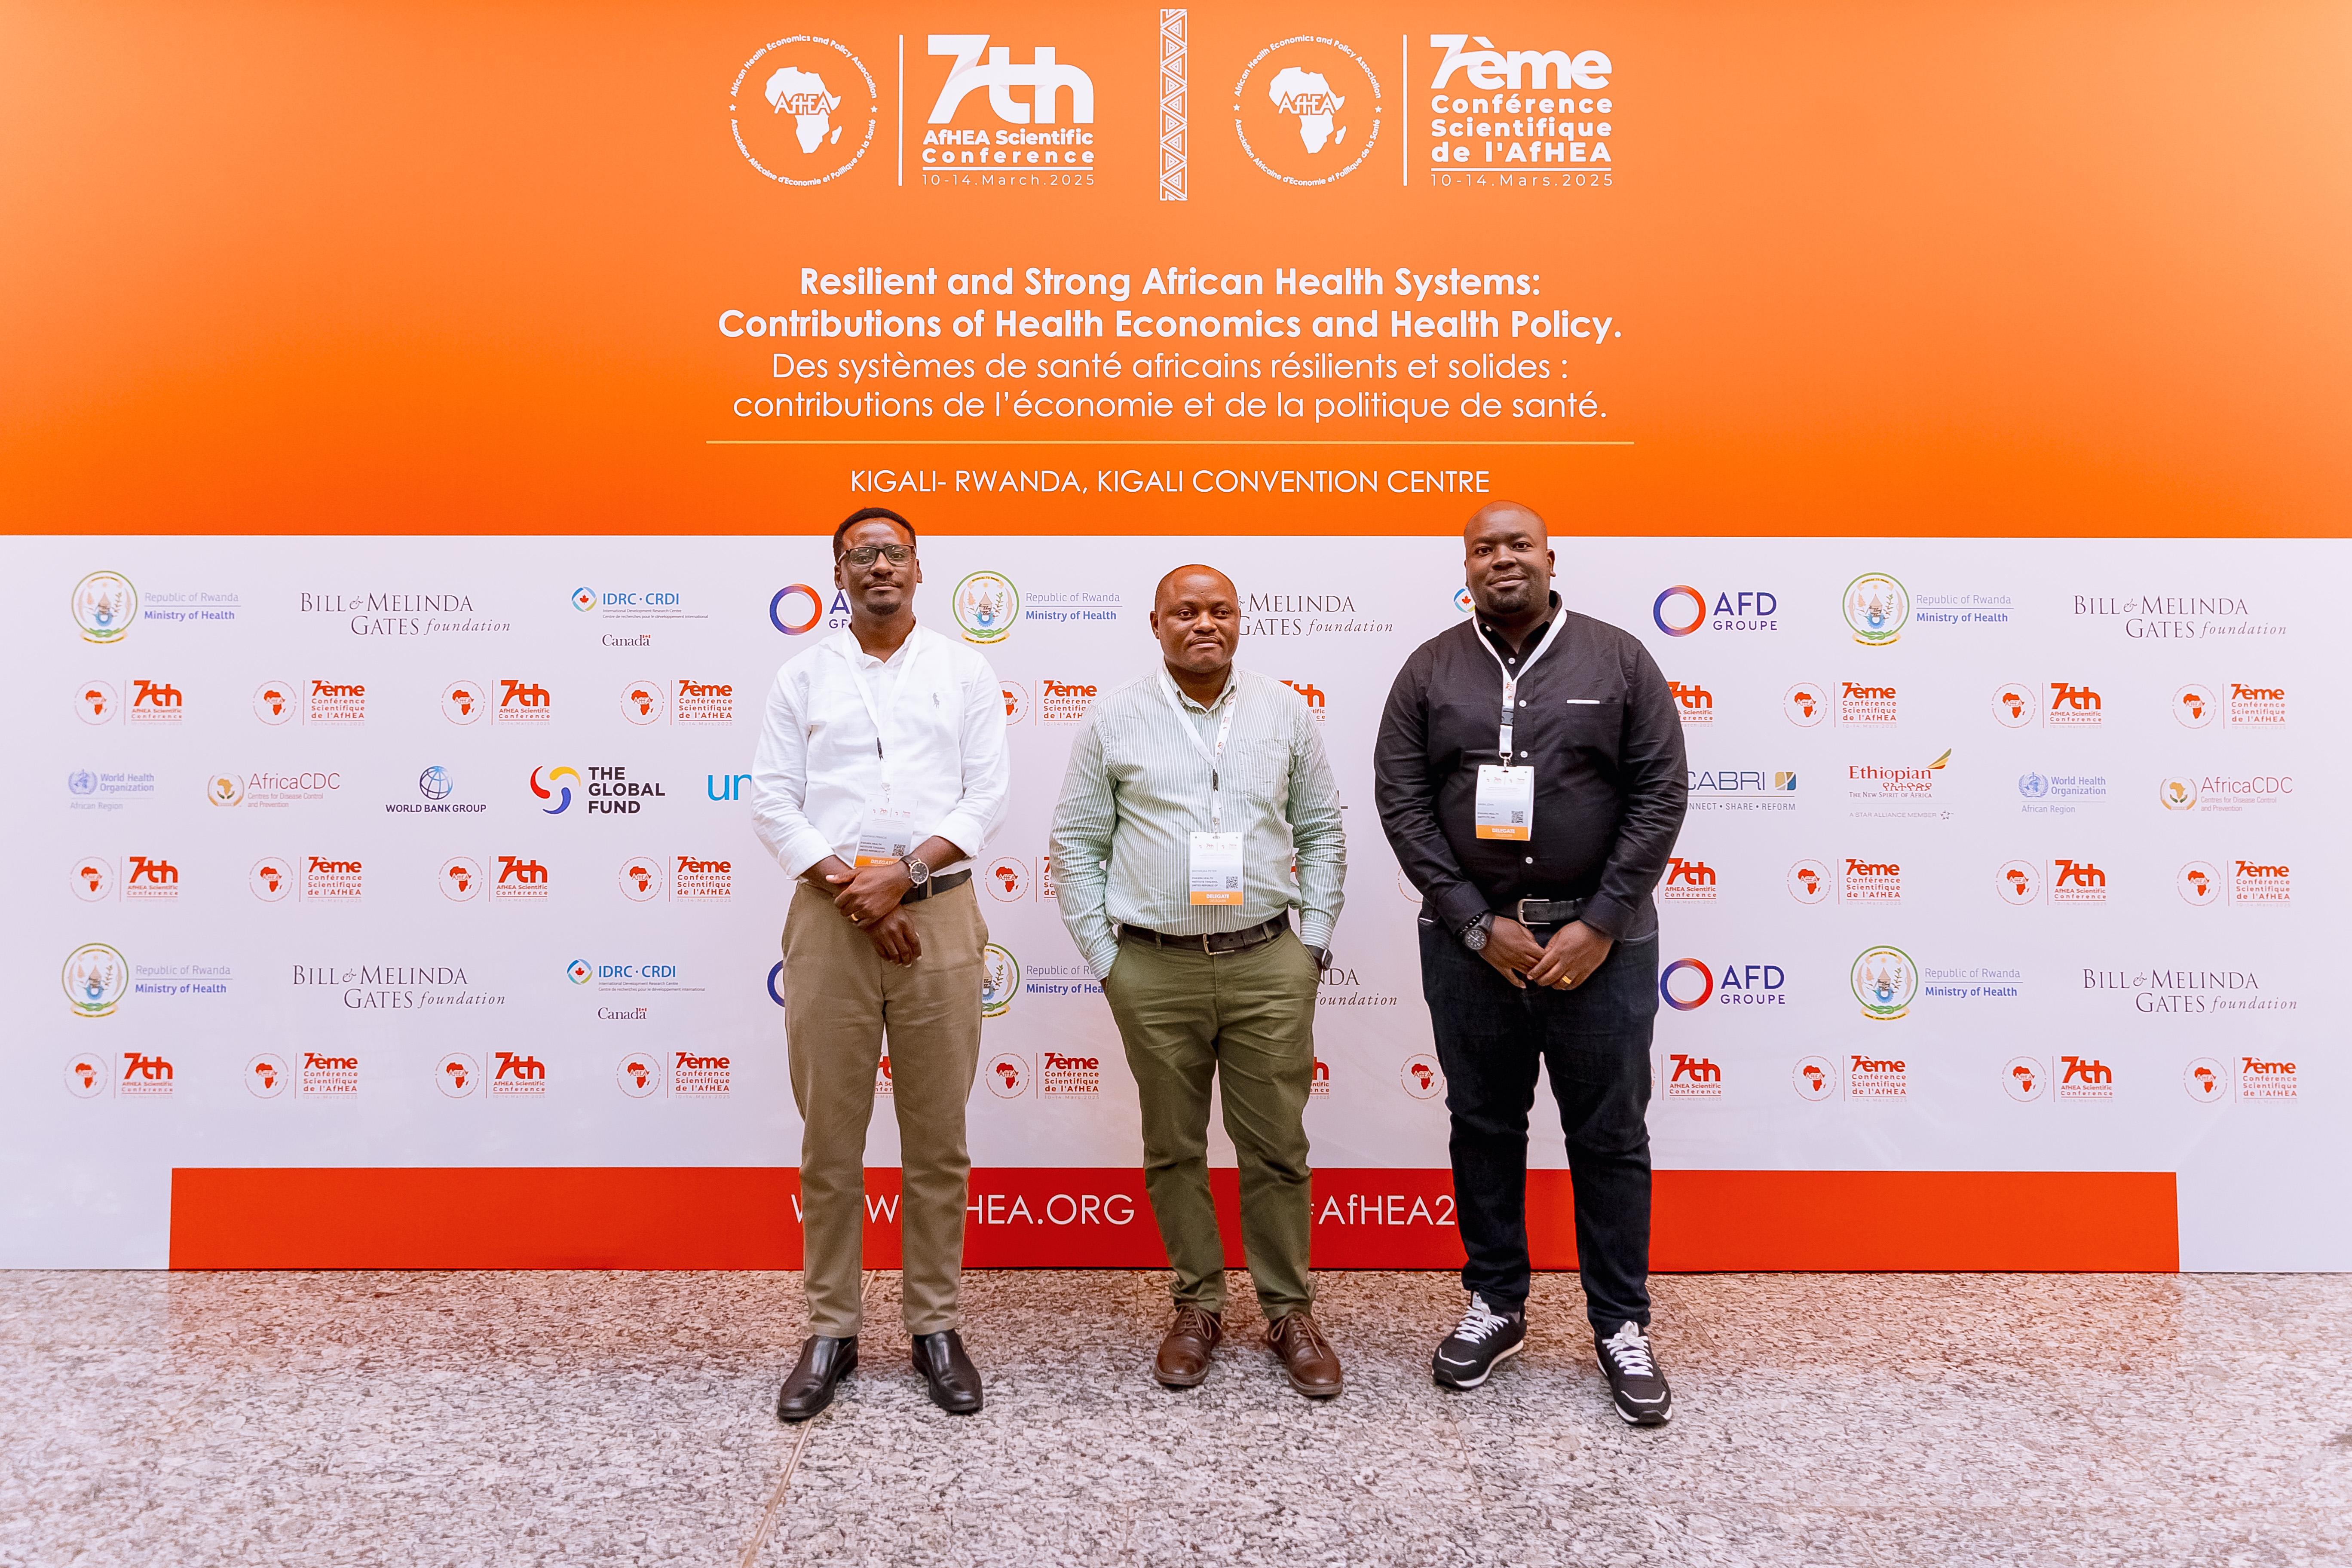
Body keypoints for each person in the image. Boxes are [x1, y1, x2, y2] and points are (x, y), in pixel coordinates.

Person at [1373, 501, 1688, 1425]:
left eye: (1519, 545)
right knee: (1483, 1125)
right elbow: (1403, 802)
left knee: (1610, 1137)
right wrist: (1476, 923)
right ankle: (1496, 1305)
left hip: (1602, 949)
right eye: (1485, 548)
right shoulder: (1429, 669)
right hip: (1473, 951)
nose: (1502, 559)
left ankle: (1620, 1323)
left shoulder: (1619, 659)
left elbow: (1660, 792)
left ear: (1553, 558)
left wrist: (1600, 923)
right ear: (1465, 567)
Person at [1049, 564, 1348, 1398]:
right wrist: (1108, 963)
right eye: (1186, 612)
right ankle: (1197, 1305)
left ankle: (1288, 1310)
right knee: (1174, 1147)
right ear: (1156, 624)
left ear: (1241, 621)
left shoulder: (1284, 711)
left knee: (1277, 1148)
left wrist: (1311, 947)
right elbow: (1076, 844)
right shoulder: (1113, 717)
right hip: (1153, 967)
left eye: (1221, 610)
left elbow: (1322, 831)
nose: (1204, 624)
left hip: (1267, 963)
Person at [750, 505, 1010, 1420]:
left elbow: (987, 796)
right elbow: (773, 801)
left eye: (894, 552)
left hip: (940, 914)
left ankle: (935, 1325)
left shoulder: (965, 670)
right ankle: (833, 1328)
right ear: (838, 573)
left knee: (938, 1139)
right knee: (831, 1139)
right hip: (829, 920)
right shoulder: (801, 676)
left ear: (919, 567)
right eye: (860, 554)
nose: (879, 566)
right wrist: (854, 891)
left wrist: (904, 876)